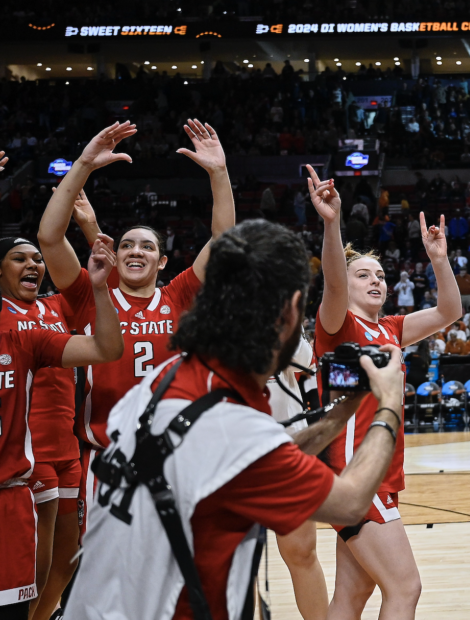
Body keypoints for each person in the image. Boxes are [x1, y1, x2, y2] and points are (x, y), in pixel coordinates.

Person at [62, 220, 407, 620]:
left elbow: (261, 455)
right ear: (292, 312)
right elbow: (348, 504)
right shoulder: (235, 428)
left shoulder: (168, 378)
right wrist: (388, 407)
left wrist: (341, 413)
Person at [35, 120, 235, 578]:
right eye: (126, 245)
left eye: (147, 246)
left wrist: (219, 175)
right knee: (105, 574)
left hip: (171, 455)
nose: (135, 251)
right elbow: (49, 238)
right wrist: (84, 164)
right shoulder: (90, 294)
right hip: (105, 455)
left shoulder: (179, 295)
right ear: (114, 254)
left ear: (162, 261)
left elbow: (224, 242)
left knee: (170, 577)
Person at [305, 165, 462, 620]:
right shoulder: (336, 325)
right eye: (364, 275)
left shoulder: (390, 327)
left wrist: (438, 258)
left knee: (351, 597)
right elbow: (333, 282)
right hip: (355, 474)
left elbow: (449, 310)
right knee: (405, 588)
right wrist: (332, 224)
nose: (376, 280)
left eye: (380, 274)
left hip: (375, 477)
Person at [0, 237, 123, 620]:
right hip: (27, 448)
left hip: (66, 445)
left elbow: (103, 334)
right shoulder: (8, 322)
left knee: (66, 557)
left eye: (37, 259)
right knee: (32, 565)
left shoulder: (53, 308)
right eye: (19, 258)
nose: (32, 264)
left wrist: (88, 226)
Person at [266, 334, 329, 620]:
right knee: (232, 561)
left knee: (301, 553)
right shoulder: (211, 315)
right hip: (228, 452)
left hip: (288, 449)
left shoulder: (281, 313)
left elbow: (305, 360)